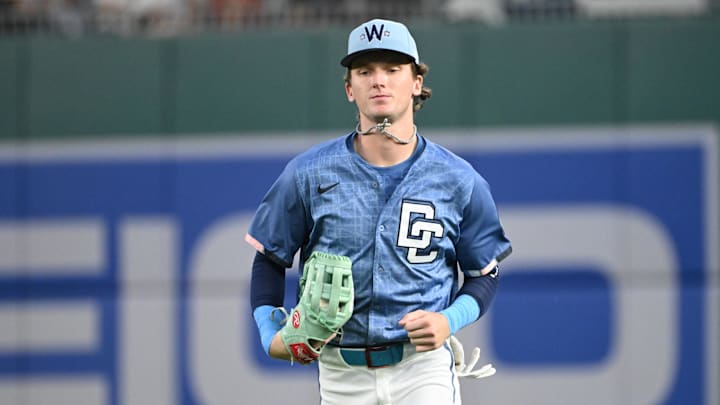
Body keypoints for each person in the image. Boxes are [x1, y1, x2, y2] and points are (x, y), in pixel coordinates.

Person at [246, 18, 512, 405]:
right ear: (349, 89)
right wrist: (269, 331)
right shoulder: (307, 174)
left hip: (421, 367)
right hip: (341, 370)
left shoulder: (459, 180)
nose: (379, 80)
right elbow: (269, 258)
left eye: (392, 69)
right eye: (365, 70)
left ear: (417, 82)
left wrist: (448, 320)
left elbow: (484, 275)